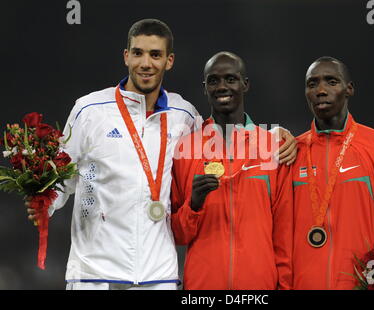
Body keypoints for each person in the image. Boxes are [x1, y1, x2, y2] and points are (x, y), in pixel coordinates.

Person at [26, 19, 297, 290]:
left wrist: (274, 135)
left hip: (158, 274)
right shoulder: (90, 110)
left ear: (169, 61)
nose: (146, 63)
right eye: (138, 53)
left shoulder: (184, 115)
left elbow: (224, 134)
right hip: (96, 271)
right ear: (126, 56)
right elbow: (61, 172)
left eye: (155, 55)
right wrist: (45, 203)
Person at [292, 56, 374, 289]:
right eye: (312, 84)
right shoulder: (290, 153)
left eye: (331, 82)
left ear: (349, 89)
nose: (321, 90)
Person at [170, 52, 293, 290]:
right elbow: (176, 234)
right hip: (202, 287)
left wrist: (285, 286)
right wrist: (193, 206)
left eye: (230, 79)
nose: (222, 87)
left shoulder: (273, 146)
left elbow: (285, 230)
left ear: (245, 84)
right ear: (205, 88)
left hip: (259, 286)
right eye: (214, 81)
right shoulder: (186, 148)